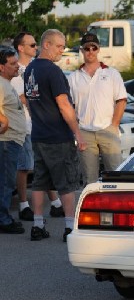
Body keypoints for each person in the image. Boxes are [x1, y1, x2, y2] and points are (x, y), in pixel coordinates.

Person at [24, 29, 87, 242]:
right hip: (57, 136)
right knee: (66, 181)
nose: (62, 51)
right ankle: (70, 228)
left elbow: (30, 103)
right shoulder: (52, 71)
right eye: (59, 46)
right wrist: (77, 133)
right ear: (47, 45)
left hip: (39, 135)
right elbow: (63, 104)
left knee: (40, 182)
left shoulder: (30, 69)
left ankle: (38, 225)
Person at [11, 31, 64, 221]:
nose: (36, 47)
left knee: (45, 164)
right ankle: (24, 205)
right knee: (24, 166)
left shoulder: (35, 68)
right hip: (23, 125)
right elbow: (18, 98)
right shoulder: (15, 70)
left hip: (39, 125)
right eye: (32, 45)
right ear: (20, 47)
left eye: (36, 45)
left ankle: (56, 203)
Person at [68, 33, 127, 186]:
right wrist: (77, 132)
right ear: (82, 50)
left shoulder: (111, 73)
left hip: (108, 129)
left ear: (99, 49)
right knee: (89, 180)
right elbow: (70, 107)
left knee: (115, 176)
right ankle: (92, 210)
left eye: (94, 47)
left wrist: (114, 125)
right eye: (87, 48)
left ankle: (117, 210)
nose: (91, 51)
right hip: (85, 132)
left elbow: (121, 100)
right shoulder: (74, 77)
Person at [0, 47, 27, 234]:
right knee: (5, 183)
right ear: (1, 67)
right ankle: (3, 220)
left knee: (6, 182)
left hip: (12, 141)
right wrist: (3, 120)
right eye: (12, 63)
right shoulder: (0, 84)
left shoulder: (6, 83)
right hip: (6, 142)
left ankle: (4, 217)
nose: (17, 66)